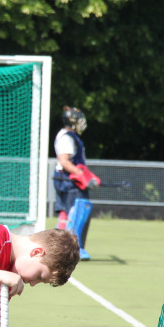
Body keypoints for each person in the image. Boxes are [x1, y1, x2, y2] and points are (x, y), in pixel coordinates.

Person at [53, 106, 99, 261]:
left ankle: (61, 248)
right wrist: (83, 177)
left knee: (66, 212)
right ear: (71, 121)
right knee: (79, 209)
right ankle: (74, 248)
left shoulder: (69, 136)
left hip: (66, 179)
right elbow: (65, 161)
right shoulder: (66, 137)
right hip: (69, 181)